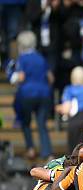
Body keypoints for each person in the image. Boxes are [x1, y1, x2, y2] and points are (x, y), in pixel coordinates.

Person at [10, 31, 53, 160]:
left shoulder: (22, 58)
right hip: (44, 94)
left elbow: (21, 76)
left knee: (25, 122)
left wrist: (14, 78)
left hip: (27, 94)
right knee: (42, 124)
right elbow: (50, 78)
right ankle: (48, 153)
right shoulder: (41, 57)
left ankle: (30, 149)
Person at [56, 67, 83, 153]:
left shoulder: (70, 89)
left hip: (75, 121)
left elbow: (66, 109)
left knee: (74, 152)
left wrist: (59, 108)